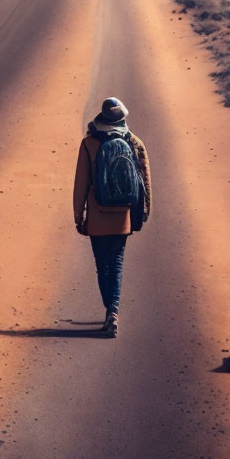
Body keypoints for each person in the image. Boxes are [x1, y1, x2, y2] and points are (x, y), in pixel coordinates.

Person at [73, 96, 151, 338]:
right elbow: (145, 180)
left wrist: (79, 215)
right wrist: (144, 210)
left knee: (102, 266)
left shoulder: (89, 144)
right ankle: (113, 313)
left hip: (97, 216)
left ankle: (109, 309)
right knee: (116, 263)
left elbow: (81, 183)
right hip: (123, 215)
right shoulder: (135, 142)